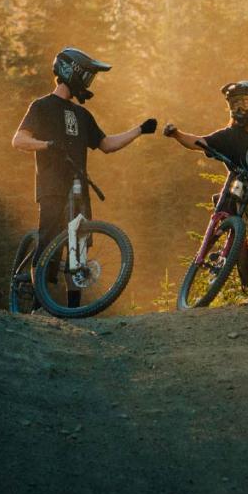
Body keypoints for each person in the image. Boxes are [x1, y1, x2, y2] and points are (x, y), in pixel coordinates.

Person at [9, 47, 157, 307]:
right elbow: (19, 139)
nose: (89, 83)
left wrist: (140, 130)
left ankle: (72, 311)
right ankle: (35, 303)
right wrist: (46, 145)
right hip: (53, 185)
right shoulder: (42, 106)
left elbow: (106, 144)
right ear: (71, 73)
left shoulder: (82, 114)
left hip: (79, 188)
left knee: (78, 248)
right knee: (48, 243)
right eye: (87, 76)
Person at [164, 81, 248, 298]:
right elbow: (200, 142)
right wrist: (177, 134)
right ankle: (229, 247)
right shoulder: (230, 135)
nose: (239, 109)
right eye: (234, 104)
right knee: (223, 203)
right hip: (243, 193)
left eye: (244, 102)